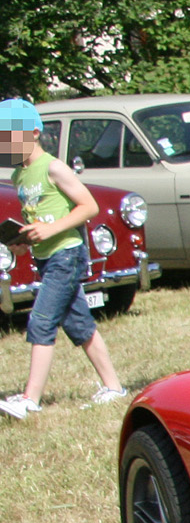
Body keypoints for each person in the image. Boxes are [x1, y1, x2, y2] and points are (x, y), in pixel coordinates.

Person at [0, 99, 125, 419]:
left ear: (33, 132)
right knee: (79, 324)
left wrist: (52, 228)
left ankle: (30, 399)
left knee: (41, 321)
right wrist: (22, 243)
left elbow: (88, 206)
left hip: (66, 255)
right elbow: (37, 221)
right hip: (45, 256)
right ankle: (114, 388)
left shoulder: (53, 167)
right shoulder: (19, 176)